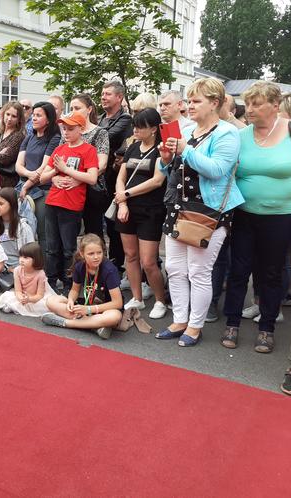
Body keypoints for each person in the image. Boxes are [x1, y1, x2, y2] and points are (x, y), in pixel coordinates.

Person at [157, 77, 242, 347]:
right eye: (189, 100)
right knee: (174, 268)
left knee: (198, 272)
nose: (190, 106)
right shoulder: (190, 131)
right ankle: (180, 320)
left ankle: (195, 326)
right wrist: (167, 159)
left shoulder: (227, 133)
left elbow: (217, 170)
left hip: (208, 211)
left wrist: (185, 150)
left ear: (215, 103)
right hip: (179, 207)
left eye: (196, 101)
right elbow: (171, 171)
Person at [222, 81, 291, 353]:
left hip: (281, 216)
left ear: (275, 105)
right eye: (249, 104)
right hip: (245, 214)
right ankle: (232, 323)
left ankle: (267, 327)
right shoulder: (242, 136)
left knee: (271, 272)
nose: (251, 109)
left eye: (258, 104)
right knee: (238, 270)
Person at [114, 108, 167, 318]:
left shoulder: (161, 150)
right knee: (131, 256)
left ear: (153, 128)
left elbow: (157, 180)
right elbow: (121, 176)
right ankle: (137, 297)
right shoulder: (133, 147)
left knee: (149, 261)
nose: (135, 129)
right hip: (127, 208)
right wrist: (123, 202)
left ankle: (160, 299)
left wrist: (126, 194)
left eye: (140, 126)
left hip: (150, 210)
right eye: (134, 125)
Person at [40, 112, 99, 291]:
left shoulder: (88, 150)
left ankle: (69, 283)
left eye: (70, 129)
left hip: (71, 205)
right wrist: (55, 175)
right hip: (53, 201)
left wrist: (66, 170)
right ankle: (50, 281)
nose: (66, 132)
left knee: (68, 248)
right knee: (52, 247)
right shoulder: (60, 149)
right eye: (64, 128)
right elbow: (43, 177)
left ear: (81, 129)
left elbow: (92, 178)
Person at [41, 234, 123, 339]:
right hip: (84, 305)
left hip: (105, 308)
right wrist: (70, 300)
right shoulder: (79, 266)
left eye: (99, 252)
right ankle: (94, 326)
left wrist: (89, 310)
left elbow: (118, 303)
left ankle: (66, 323)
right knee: (51, 301)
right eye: (91, 254)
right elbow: (75, 290)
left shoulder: (109, 270)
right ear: (82, 254)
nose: (96, 257)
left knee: (114, 317)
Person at [16, 101, 62, 250]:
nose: (34, 118)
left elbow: (44, 167)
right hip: (24, 186)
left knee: (43, 233)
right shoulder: (29, 137)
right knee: (23, 230)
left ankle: (46, 270)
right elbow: (18, 166)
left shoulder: (54, 138)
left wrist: (28, 184)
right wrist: (29, 176)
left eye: (38, 115)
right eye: (33, 115)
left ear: (48, 119)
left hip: (42, 190)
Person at [99, 81, 133, 272]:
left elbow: (106, 138)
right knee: (101, 222)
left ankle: (117, 263)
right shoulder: (102, 118)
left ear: (119, 97)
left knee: (114, 224)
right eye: (102, 94)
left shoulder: (125, 119)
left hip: (116, 179)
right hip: (101, 179)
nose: (103, 97)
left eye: (108, 94)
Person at [68, 93, 110, 239]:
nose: (73, 111)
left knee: (94, 233)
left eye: (78, 108)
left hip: (91, 190)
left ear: (89, 109)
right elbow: (59, 158)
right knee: (69, 234)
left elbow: (102, 164)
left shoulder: (100, 132)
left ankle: (98, 261)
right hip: (69, 189)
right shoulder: (67, 132)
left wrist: (80, 179)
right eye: (72, 108)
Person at [0, 241, 55, 316]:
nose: (21, 260)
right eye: (20, 256)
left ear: (36, 259)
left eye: (25, 257)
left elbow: (39, 295)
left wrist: (29, 299)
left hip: (36, 298)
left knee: (44, 305)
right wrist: (20, 297)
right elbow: (18, 290)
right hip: (23, 294)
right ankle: (17, 306)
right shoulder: (17, 270)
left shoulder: (40, 274)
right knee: (7, 297)